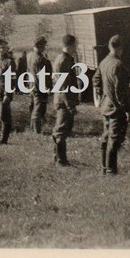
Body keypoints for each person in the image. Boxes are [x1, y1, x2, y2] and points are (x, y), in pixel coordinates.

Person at [94, 34, 130, 175]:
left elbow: (96, 79)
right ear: (120, 48)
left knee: (106, 136)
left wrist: (100, 95)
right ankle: (111, 170)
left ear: (110, 46)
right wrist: (127, 109)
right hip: (116, 108)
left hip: (106, 106)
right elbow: (120, 91)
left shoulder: (104, 62)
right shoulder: (118, 65)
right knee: (115, 139)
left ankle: (104, 167)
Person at [51, 34, 80, 166]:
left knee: (63, 130)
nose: (76, 48)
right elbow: (63, 86)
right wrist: (70, 106)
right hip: (64, 101)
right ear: (71, 45)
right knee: (61, 131)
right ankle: (60, 160)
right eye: (75, 45)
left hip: (63, 100)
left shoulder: (64, 58)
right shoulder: (63, 61)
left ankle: (58, 158)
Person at [27, 35, 52, 134]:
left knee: (32, 106)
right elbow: (43, 75)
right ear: (41, 46)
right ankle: (37, 130)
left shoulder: (30, 56)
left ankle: (31, 127)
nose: (44, 47)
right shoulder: (40, 58)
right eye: (44, 45)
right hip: (39, 86)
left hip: (32, 85)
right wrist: (48, 87)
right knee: (38, 108)